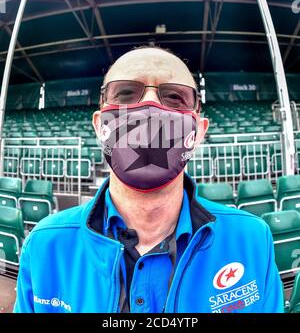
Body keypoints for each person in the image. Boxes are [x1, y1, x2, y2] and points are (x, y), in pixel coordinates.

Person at [14, 46, 283, 313]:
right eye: (126, 93)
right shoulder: (45, 244)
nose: (150, 107)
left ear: (199, 132)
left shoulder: (253, 239)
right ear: (99, 125)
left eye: (175, 97)